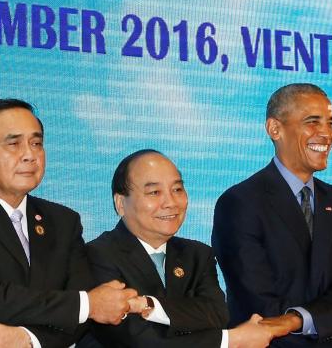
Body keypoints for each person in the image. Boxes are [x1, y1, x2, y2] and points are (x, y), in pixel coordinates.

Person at [0, 98, 140, 348]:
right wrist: (86, 304)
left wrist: (28, 340)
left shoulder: (64, 221)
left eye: (36, 143)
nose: (30, 155)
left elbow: (81, 320)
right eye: (14, 144)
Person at [212, 83, 332, 347]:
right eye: (312, 122)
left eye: (331, 123)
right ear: (275, 129)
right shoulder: (240, 202)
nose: (327, 134)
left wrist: (296, 319)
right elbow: (262, 314)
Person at [84, 149, 284, 348]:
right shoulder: (96, 255)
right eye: (154, 192)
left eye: (177, 189)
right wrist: (231, 339)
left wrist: (148, 305)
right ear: (120, 203)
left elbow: (216, 315)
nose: (170, 202)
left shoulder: (198, 255)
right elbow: (138, 340)